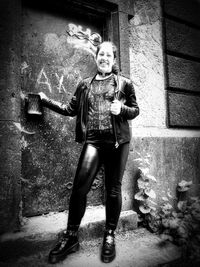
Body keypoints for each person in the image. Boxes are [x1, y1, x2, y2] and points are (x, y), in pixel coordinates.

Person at [38, 41, 139, 264]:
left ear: (113, 60)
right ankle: (71, 236)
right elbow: (69, 109)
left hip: (117, 143)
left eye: (108, 55)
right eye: (100, 54)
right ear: (96, 58)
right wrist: (45, 101)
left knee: (113, 189)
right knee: (79, 189)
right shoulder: (85, 85)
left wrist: (121, 109)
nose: (104, 58)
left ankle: (110, 235)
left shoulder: (125, 84)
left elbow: (135, 110)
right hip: (93, 141)